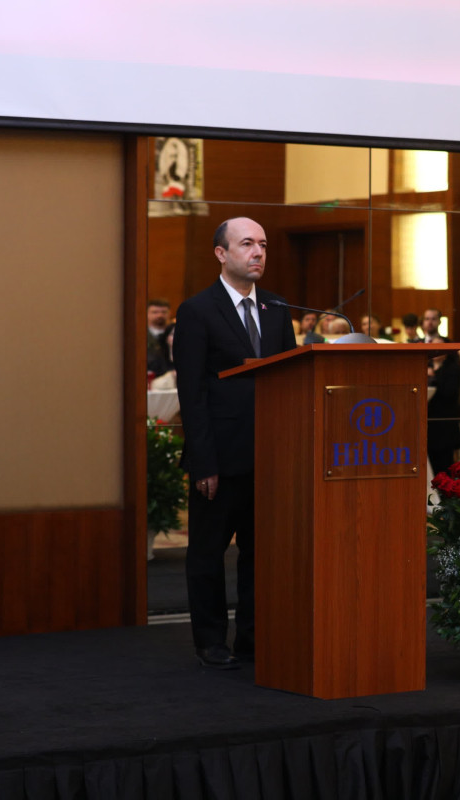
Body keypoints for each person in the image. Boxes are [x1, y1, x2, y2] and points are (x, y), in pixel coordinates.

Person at [172, 217, 297, 669]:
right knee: (207, 554)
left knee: (260, 555)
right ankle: (210, 640)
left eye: (263, 244)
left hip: (269, 456)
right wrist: (203, 460)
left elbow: (288, 383)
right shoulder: (197, 310)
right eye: (247, 244)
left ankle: (253, 637)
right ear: (221, 254)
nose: (258, 252)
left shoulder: (277, 308)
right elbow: (192, 390)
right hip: (220, 458)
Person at [427, 348, 460, 474]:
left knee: (444, 464)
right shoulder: (425, 366)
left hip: (444, 422)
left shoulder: (453, 369)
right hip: (429, 423)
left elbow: (449, 392)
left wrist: (434, 376)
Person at [146, 299, 173, 378]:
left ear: (169, 313)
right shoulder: (141, 336)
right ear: (147, 313)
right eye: (155, 312)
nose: (160, 315)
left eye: (164, 312)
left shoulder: (176, 333)